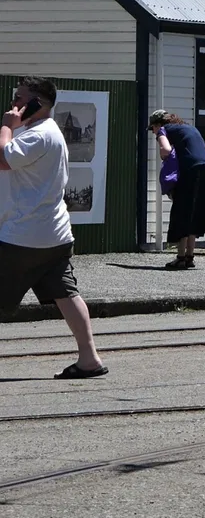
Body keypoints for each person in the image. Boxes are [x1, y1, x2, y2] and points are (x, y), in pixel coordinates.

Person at [0, 77, 107, 379]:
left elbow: (3, 159)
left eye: (20, 97)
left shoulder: (39, 134)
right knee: (66, 294)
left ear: (39, 102)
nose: (14, 103)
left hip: (23, 235)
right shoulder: (41, 132)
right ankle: (89, 358)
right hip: (53, 235)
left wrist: (7, 124)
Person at [149, 109, 205, 269]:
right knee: (195, 212)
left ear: (158, 124)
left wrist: (163, 157)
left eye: (152, 128)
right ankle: (189, 257)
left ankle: (180, 258)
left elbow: (165, 150)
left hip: (192, 170)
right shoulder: (189, 128)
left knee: (182, 211)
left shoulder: (164, 130)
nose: (153, 133)